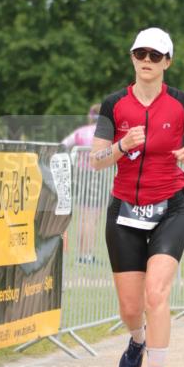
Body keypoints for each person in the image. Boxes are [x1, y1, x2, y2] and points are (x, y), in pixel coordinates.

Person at [90, 27, 184, 367]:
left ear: (168, 62)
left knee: (156, 295)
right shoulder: (114, 105)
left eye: (155, 55)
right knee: (131, 308)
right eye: (140, 54)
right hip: (125, 211)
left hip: (170, 208)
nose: (147, 61)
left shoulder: (183, 103)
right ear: (132, 57)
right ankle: (136, 339)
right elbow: (95, 161)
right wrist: (120, 146)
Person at [62, 103, 101, 262]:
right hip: (96, 176)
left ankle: (81, 255)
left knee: (82, 218)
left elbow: (64, 144)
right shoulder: (104, 134)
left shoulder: (81, 132)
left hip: (81, 175)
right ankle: (87, 255)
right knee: (92, 218)